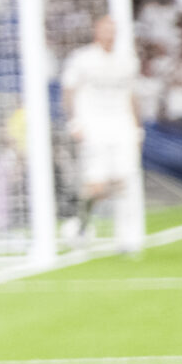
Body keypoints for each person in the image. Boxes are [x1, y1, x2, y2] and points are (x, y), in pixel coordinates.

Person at [59, 15, 140, 241]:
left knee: (124, 182)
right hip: (93, 124)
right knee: (96, 185)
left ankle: (125, 236)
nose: (109, 34)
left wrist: (138, 128)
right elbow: (68, 90)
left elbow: (132, 95)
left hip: (122, 124)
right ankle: (81, 224)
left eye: (113, 30)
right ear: (97, 31)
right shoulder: (83, 59)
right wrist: (73, 122)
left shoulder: (127, 60)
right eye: (105, 29)